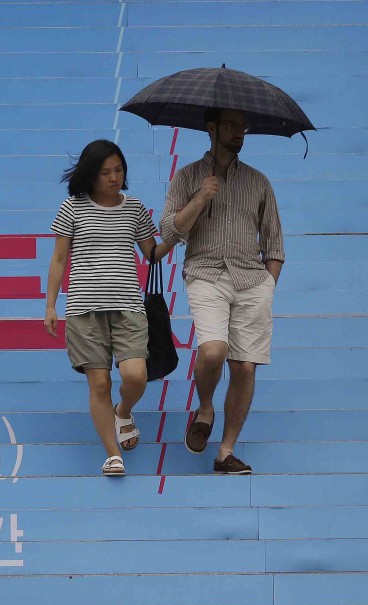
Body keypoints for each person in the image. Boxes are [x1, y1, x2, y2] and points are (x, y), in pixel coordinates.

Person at [161, 108, 284, 475]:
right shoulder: (187, 177)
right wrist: (200, 198)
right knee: (213, 351)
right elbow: (169, 232)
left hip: (252, 281)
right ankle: (205, 407)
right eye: (230, 124)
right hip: (206, 274)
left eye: (242, 125)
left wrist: (267, 287)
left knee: (245, 368)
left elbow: (275, 245)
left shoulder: (259, 182)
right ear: (211, 128)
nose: (239, 132)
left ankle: (225, 453)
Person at [44, 139, 174, 476]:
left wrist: (177, 234)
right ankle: (112, 454)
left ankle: (124, 411)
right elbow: (59, 259)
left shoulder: (134, 208)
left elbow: (153, 254)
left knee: (135, 376)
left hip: (129, 307)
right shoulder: (72, 207)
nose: (114, 177)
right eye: (105, 172)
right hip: (84, 309)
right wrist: (50, 305)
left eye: (118, 170)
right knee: (98, 383)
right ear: (91, 174)